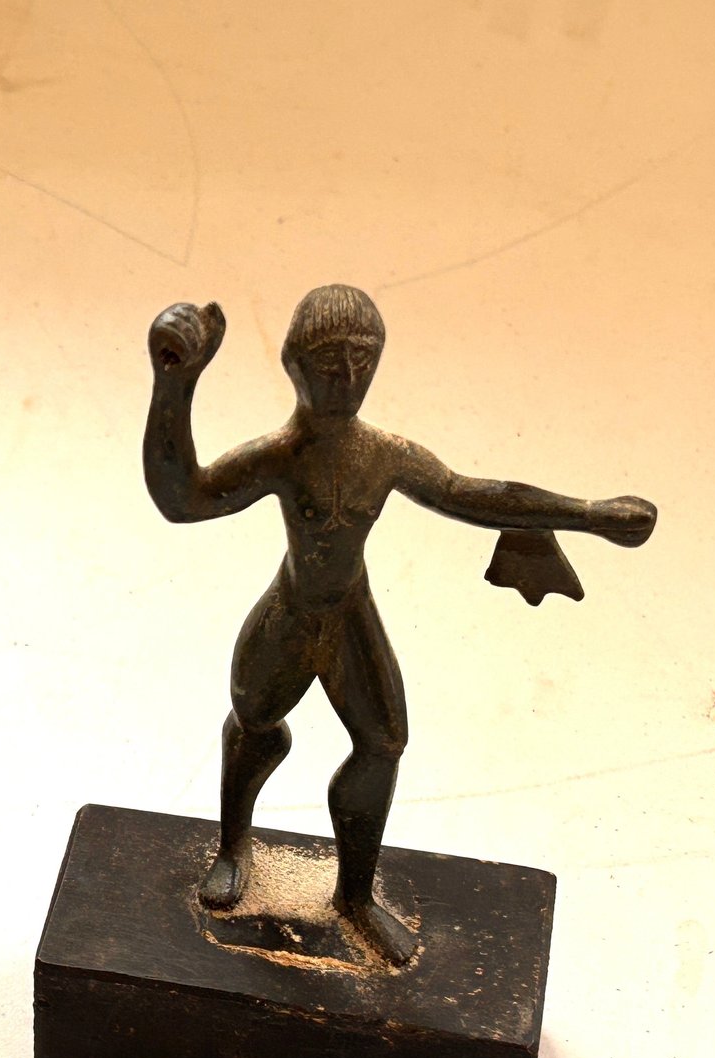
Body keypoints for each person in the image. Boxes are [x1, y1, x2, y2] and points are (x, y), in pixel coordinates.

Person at [144, 285, 656, 964]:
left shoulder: (384, 455)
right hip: (291, 614)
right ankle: (234, 846)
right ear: (294, 364)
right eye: (329, 363)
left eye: (362, 362)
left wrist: (586, 514)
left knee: (383, 743)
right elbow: (184, 499)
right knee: (255, 723)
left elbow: (468, 494)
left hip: (348, 618)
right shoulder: (280, 455)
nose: (346, 378)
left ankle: (354, 896)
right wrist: (174, 386)